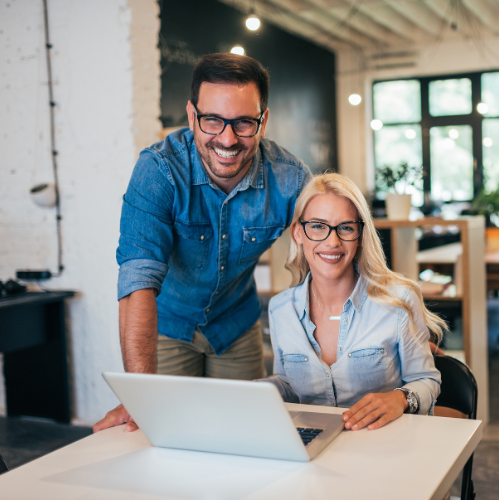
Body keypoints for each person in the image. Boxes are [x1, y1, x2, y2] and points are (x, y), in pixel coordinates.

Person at [93, 53, 312, 433]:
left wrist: (395, 325)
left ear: (264, 120)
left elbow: (338, 251)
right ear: (192, 116)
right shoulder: (159, 171)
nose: (227, 139)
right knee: (163, 436)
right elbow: (137, 280)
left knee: (246, 436)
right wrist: (140, 394)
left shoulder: (289, 178)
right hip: (166, 326)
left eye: (244, 122)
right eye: (212, 120)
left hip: (236, 325)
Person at [264, 173, 447, 431]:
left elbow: (427, 380)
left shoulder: (399, 301)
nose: (332, 241)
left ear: (360, 234)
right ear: (298, 233)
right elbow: (288, 385)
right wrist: (260, 389)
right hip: (312, 448)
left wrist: (399, 398)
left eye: (346, 227)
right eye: (317, 226)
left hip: (382, 447)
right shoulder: (280, 309)